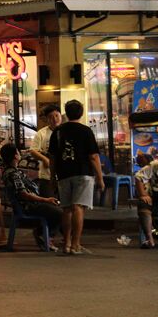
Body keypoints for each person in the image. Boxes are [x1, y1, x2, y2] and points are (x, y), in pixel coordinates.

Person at [48, 100, 105, 255]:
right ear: (81, 113)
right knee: (78, 207)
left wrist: (53, 177)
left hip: (63, 174)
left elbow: (52, 158)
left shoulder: (57, 132)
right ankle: (76, 245)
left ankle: (66, 244)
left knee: (66, 209)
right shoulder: (86, 131)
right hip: (83, 173)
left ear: (66, 113)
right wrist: (100, 178)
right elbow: (93, 157)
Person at [1, 143, 62, 252]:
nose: (19, 154)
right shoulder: (12, 174)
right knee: (59, 213)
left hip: (29, 203)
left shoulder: (12, 171)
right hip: (27, 206)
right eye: (18, 152)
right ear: (15, 156)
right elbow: (23, 194)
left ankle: (46, 235)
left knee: (57, 207)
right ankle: (43, 235)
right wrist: (45, 200)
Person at [30, 104, 63, 198]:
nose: (54, 118)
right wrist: (45, 159)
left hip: (64, 177)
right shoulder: (41, 133)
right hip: (46, 177)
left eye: (56, 115)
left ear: (61, 116)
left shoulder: (66, 131)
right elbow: (33, 151)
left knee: (65, 206)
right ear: (47, 119)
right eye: (50, 117)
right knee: (49, 205)